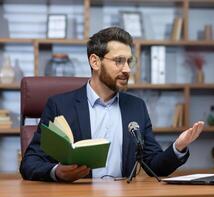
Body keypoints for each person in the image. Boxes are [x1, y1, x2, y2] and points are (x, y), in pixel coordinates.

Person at [20, 27, 204, 182]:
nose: (127, 69)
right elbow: (30, 163)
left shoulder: (136, 106)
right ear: (95, 61)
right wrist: (57, 172)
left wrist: (178, 147)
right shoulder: (60, 106)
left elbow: (154, 165)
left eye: (129, 62)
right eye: (118, 61)